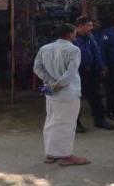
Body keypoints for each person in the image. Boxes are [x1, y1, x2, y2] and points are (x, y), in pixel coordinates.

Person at [34, 23, 91, 166]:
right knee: (67, 124)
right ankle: (66, 156)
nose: (75, 35)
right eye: (74, 33)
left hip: (50, 91)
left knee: (52, 122)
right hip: (67, 92)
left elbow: (37, 68)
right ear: (69, 35)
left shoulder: (45, 48)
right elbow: (70, 73)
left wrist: (50, 82)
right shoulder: (73, 49)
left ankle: (51, 154)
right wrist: (58, 85)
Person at [73, 17, 114, 132]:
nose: (91, 27)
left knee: (96, 97)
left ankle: (99, 120)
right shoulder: (72, 38)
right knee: (76, 99)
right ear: (80, 26)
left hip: (91, 72)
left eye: (91, 25)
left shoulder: (90, 37)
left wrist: (101, 67)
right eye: (89, 25)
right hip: (77, 73)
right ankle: (76, 124)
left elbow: (97, 53)